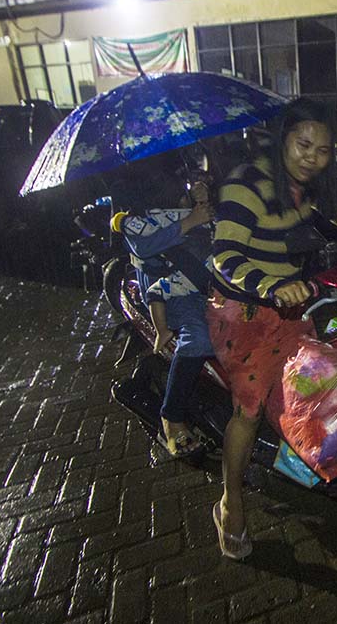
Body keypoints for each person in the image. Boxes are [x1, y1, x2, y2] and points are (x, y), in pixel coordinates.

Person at [208, 98, 337, 559]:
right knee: (250, 409)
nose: (312, 157)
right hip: (241, 311)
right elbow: (225, 255)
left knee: (317, 379)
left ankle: (302, 454)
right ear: (283, 138)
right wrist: (270, 285)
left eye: (322, 150)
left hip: (290, 303)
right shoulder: (247, 185)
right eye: (303, 144)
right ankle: (230, 503)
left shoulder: (312, 187)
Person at [110, 155, 215, 458]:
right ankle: (172, 415)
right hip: (169, 290)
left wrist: (201, 199)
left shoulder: (178, 170)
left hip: (204, 275)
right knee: (200, 337)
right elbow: (145, 245)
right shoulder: (132, 206)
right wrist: (190, 220)